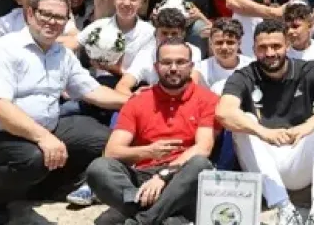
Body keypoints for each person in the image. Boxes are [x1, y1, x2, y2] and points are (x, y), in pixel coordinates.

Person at [0, 0, 127, 223]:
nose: (52, 21)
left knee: (105, 140)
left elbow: (92, 91)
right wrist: (43, 138)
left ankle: (42, 188)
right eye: (45, 14)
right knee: (34, 158)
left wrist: (137, 100)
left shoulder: (61, 54)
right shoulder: (2, 50)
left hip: (43, 130)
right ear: (30, 14)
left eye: (59, 17)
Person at [216, 19, 314, 225]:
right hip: (264, 161)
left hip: (300, 154)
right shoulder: (244, 75)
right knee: (244, 121)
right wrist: (263, 132)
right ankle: (284, 208)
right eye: (263, 47)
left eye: (276, 46)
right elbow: (224, 112)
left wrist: (309, 125)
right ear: (254, 49)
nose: (270, 53)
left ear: (287, 45)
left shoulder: (309, 69)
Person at [85, 39, 217, 225]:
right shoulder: (138, 101)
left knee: (200, 164)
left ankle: (142, 220)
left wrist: (163, 176)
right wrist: (148, 151)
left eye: (180, 62)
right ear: (156, 67)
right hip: (143, 178)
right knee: (99, 168)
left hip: (181, 179)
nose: (173, 68)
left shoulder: (208, 100)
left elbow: (203, 148)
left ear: (191, 66)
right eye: (166, 62)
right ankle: (157, 215)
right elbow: (112, 151)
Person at [114, 9, 204, 96]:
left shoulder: (193, 51)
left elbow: (192, 85)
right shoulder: (146, 55)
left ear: (183, 34)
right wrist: (137, 99)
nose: (169, 38)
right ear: (155, 33)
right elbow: (122, 86)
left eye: (174, 34)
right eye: (164, 33)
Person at [195, 18, 251, 93]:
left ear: (239, 43)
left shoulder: (252, 67)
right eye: (219, 42)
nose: (224, 47)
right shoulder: (200, 69)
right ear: (211, 44)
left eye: (230, 42)